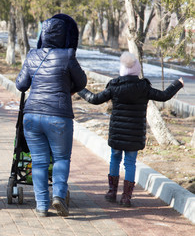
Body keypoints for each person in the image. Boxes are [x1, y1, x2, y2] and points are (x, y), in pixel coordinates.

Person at [78, 51, 184, 207]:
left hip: (117, 132)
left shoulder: (114, 86)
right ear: (136, 70)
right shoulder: (143, 87)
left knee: (114, 159)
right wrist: (177, 84)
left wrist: (79, 88)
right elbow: (164, 96)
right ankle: (126, 197)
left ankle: (111, 191)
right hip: (134, 134)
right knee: (130, 163)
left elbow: (94, 99)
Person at [16, 14, 87, 217]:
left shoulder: (32, 55)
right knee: (61, 159)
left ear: (43, 34)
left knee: (38, 161)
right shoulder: (67, 56)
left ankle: (41, 205)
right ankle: (58, 196)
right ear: (63, 35)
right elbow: (81, 82)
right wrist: (67, 86)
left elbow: (21, 84)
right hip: (58, 116)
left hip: (32, 116)